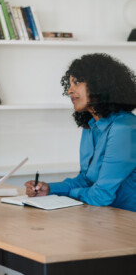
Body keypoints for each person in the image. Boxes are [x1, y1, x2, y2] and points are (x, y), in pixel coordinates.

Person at [25, 53, 136, 212]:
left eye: (76, 82)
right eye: (69, 85)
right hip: (102, 216)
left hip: (127, 223)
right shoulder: (91, 126)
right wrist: (50, 189)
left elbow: (101, 196)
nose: (70, 91)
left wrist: (69, 193)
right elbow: (86, 179)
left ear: (100, 84)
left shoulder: (124, 128)